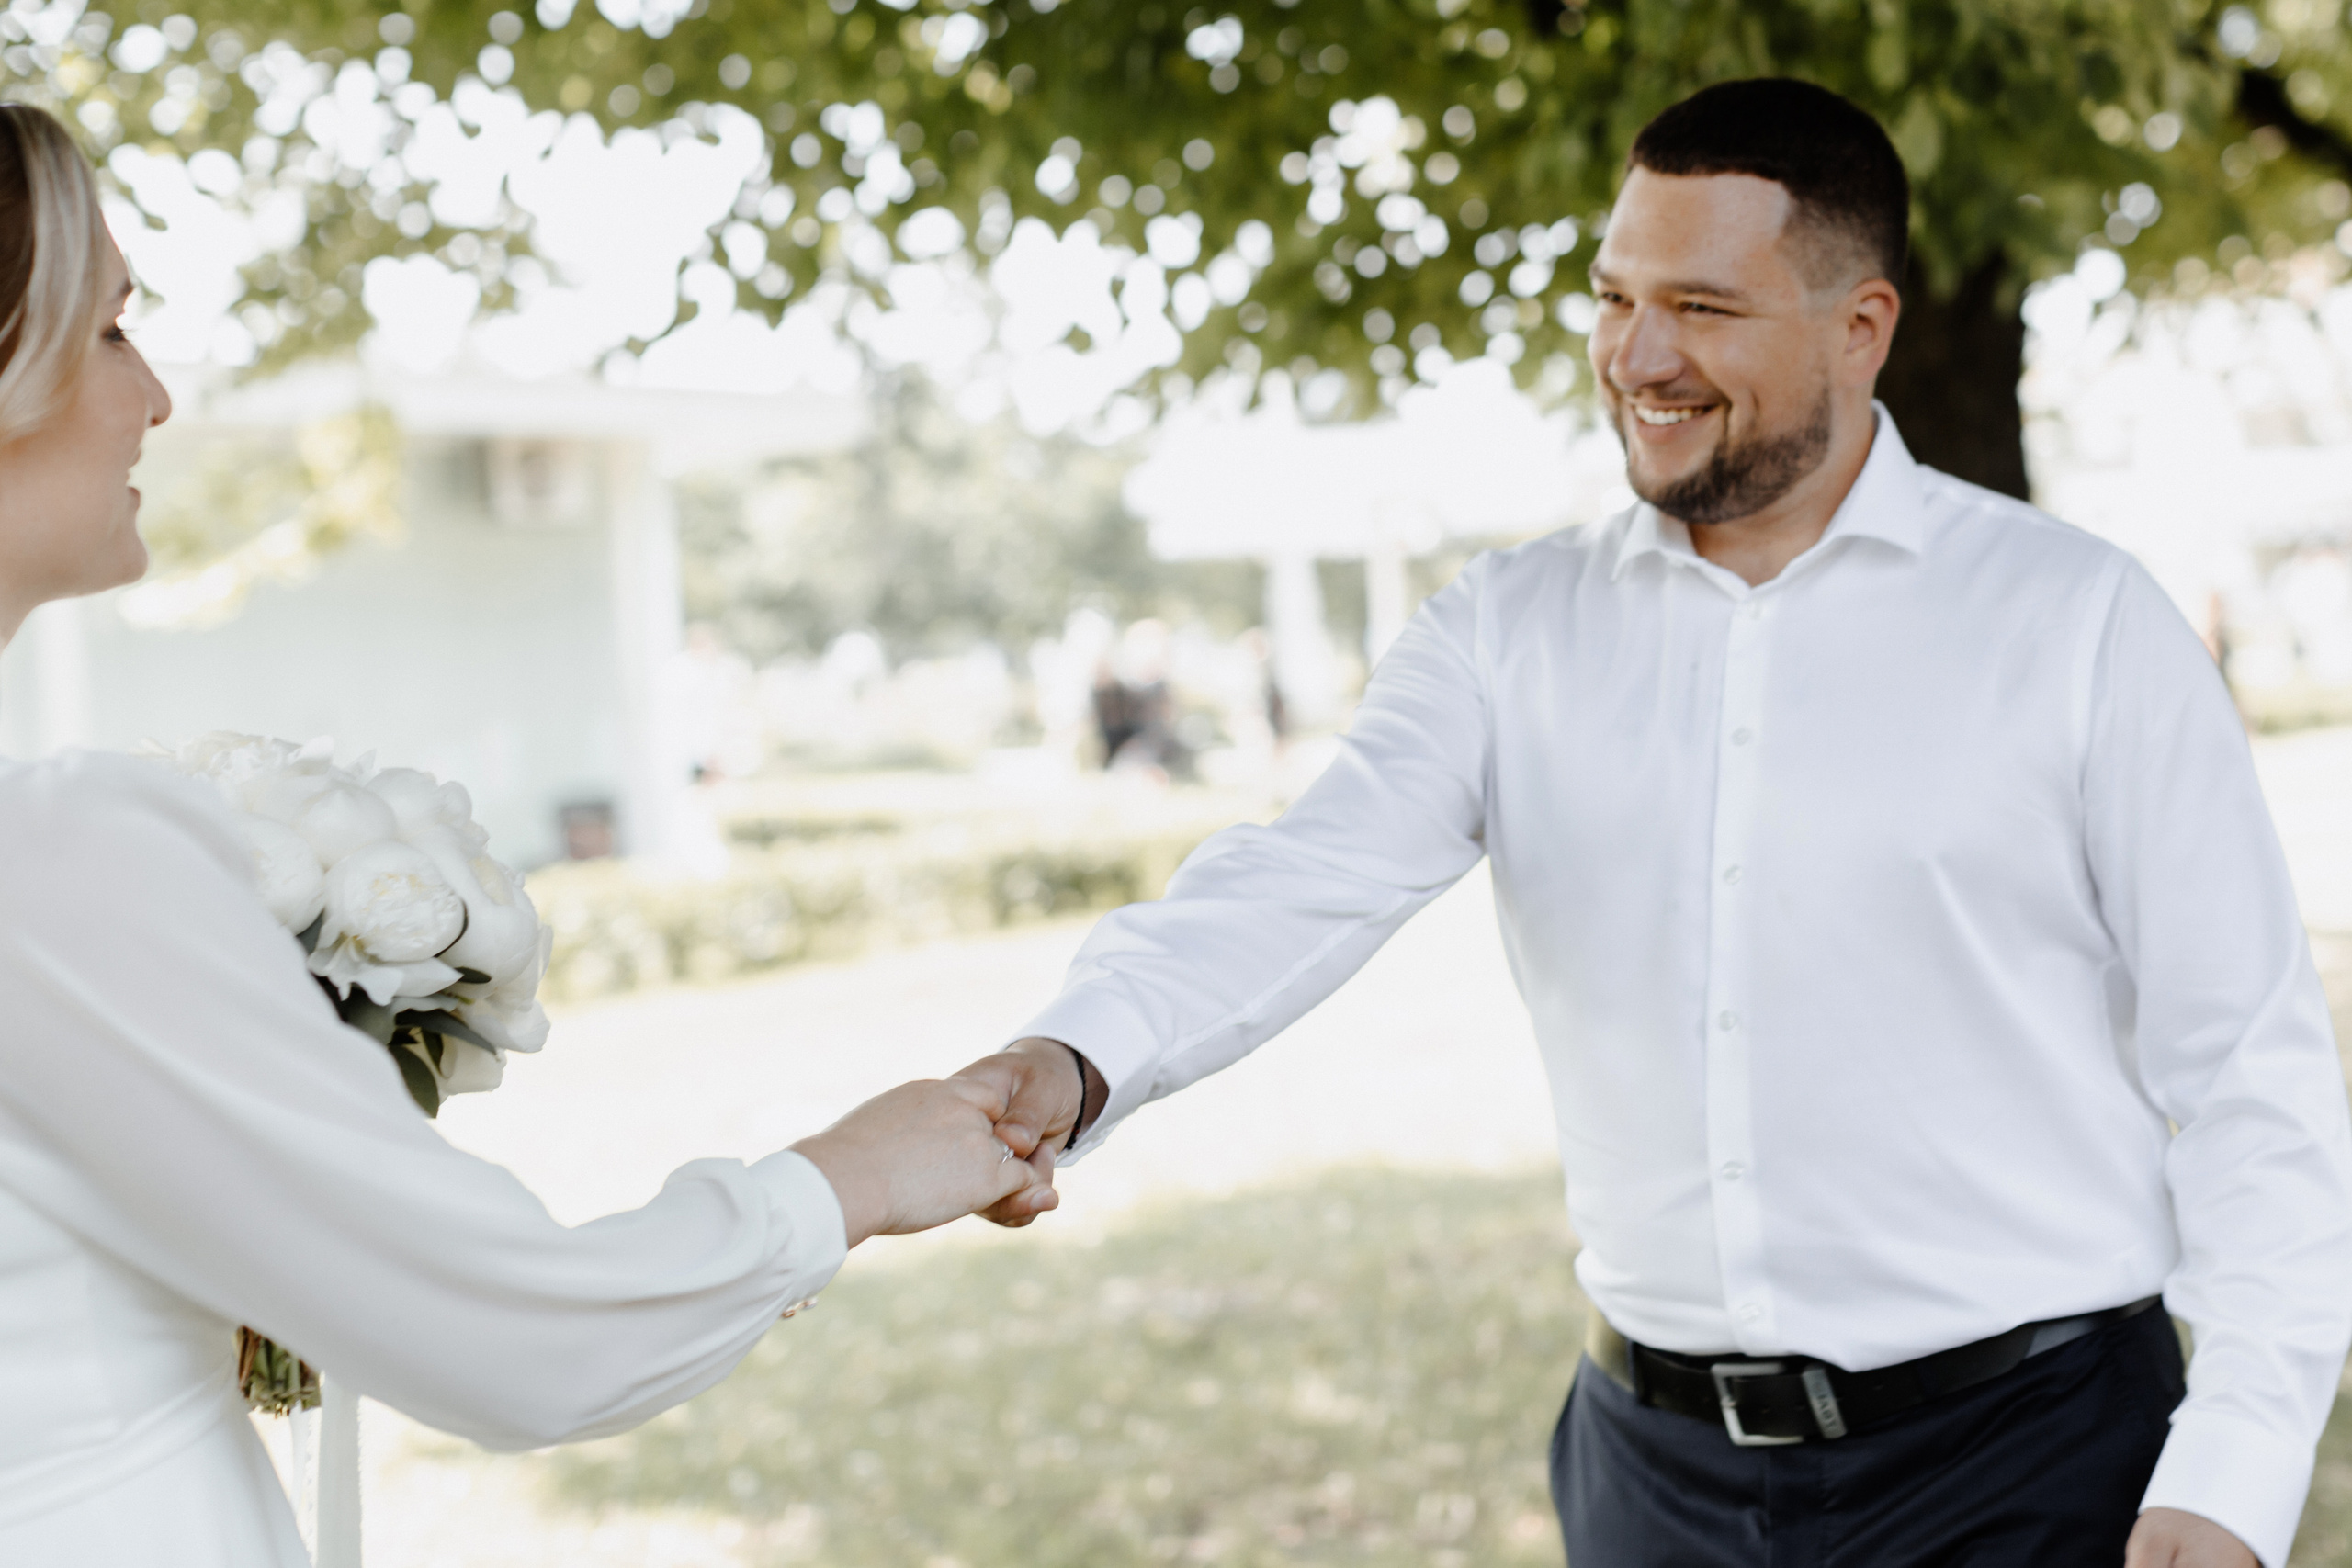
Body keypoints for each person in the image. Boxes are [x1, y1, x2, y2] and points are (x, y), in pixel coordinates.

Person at [953, 79, 2352, 1568]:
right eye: (1615, 296)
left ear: (1860, 326)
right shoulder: (1506, 631)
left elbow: (2248, 1068)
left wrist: (2239, 1467)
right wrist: (1077, 1054)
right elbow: (1298, 883)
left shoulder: (2084, 627)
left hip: (2031, 1466)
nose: (1638, 355)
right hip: (1648, 1481)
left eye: (1701, 305)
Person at [0, 103, 1046, 1566]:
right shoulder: (54, 861)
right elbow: (512, 1338)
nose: (157, 397)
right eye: (112, 331)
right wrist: (851, 1175)